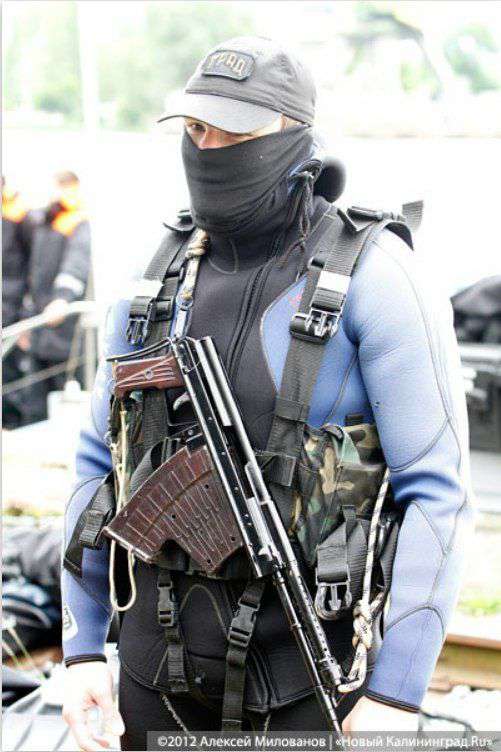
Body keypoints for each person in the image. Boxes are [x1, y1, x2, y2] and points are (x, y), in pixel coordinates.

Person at [60, 37, 473, 751]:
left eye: (235, 132)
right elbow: (97, 466)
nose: (209, 148)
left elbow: (438, 495)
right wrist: (81, 650)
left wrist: (395, 694)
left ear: (294, 135)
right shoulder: (154, 281)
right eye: (196, 128)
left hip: (306, 682)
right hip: (151, 680)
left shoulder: (377, 278)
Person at [22, 170, 91, 424]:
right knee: (33, 402)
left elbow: (76, 264)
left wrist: (62, 298)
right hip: (39, 324)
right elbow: (29, 269)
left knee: (70, 393)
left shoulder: (77, 221)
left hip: (65, 326)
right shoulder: (42, 221)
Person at [2, 177, 32, 428]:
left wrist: (26, 316)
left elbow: (34, 267)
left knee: (10, 372)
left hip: (12, 310)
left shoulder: (19, 217)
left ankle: (11, 424)